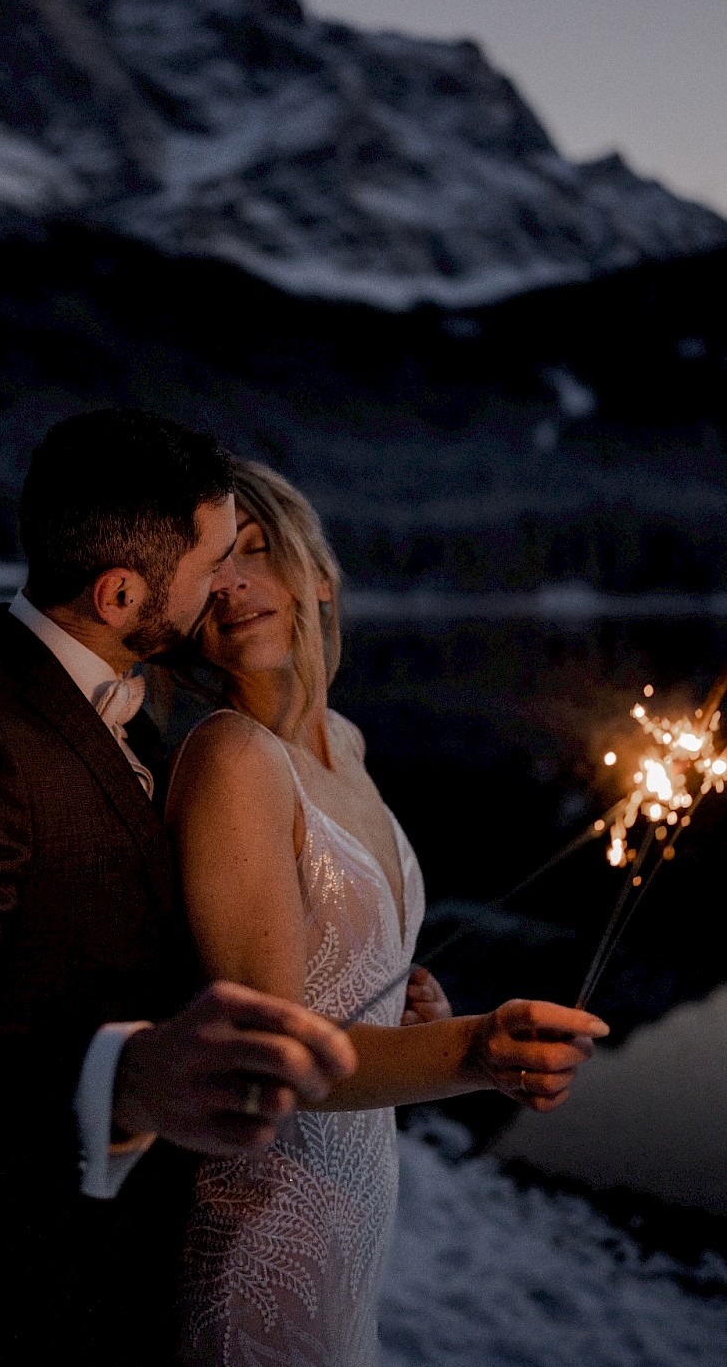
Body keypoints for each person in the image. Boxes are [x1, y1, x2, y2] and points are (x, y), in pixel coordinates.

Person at [0, 411, 357, 1367]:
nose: (228, 585)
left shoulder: (130, 714)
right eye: (214, 561)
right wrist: (127, 1077)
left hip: (105, 1296)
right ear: (118, 592)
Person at [165, 458, 609, 1366]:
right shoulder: (230, 757)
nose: (237, 584)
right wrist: (474, 1052)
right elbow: (273, 1059)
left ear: (318, 575)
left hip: (358, 1215)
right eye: (213, 569)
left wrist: (415, 1017)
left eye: (256, 551)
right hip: (266, 1228)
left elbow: (340, 991)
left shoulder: (348, 743)